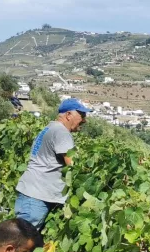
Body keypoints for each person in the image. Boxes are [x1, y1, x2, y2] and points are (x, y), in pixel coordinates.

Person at [14, 98, 93, 230]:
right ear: (68, 115)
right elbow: (73, 165)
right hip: (36, 197)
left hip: (31, 192)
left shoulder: (50, 128)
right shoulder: (62, 133)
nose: (84, 120)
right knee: (21, 238)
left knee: (22, 236)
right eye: (82, 115)